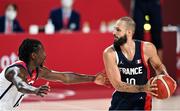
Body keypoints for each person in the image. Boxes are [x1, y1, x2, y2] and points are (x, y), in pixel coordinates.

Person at [0, 38, 108, 111]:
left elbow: (65, 77)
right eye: (42, 52)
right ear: (33, 55)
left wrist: (92, 78)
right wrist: (35, 90)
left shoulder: (38, 71)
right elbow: (21, 85)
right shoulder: (15, 70)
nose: (45, 55)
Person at [103, 17, 175, 110]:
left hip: (142, 100)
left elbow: (158, 66)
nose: (114, 33)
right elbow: (118, 85)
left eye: (118, 30)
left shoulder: (147, 48)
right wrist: (143, 88)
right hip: (121, 99)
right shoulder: (110, 53)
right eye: (114, 29)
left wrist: (165, 76)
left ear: (129, 32)